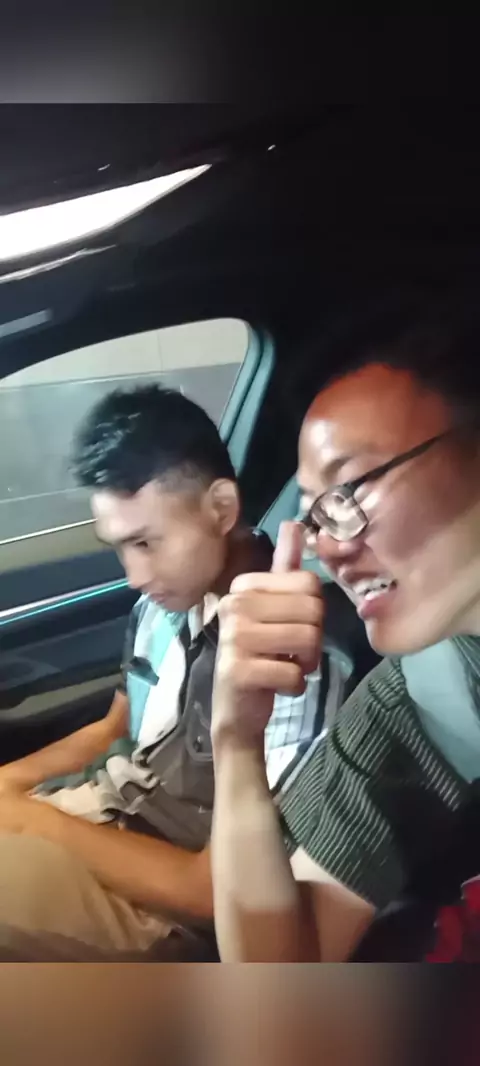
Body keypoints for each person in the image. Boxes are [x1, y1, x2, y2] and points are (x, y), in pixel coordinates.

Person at [0, 384, 324, 959]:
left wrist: (33, 822)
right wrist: (9, 788)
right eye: (120, 547)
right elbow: (112, 730)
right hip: (97, 816)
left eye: (146, 543)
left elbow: (215, 893)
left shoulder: (287, 655)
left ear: (220, 509)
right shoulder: (159, 610)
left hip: (159, 907)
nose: (133, 575)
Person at [211, 293, 480, 962]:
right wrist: (236, 743)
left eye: (350, 490)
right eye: (315, 515)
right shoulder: (423, 697)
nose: (328, 548)